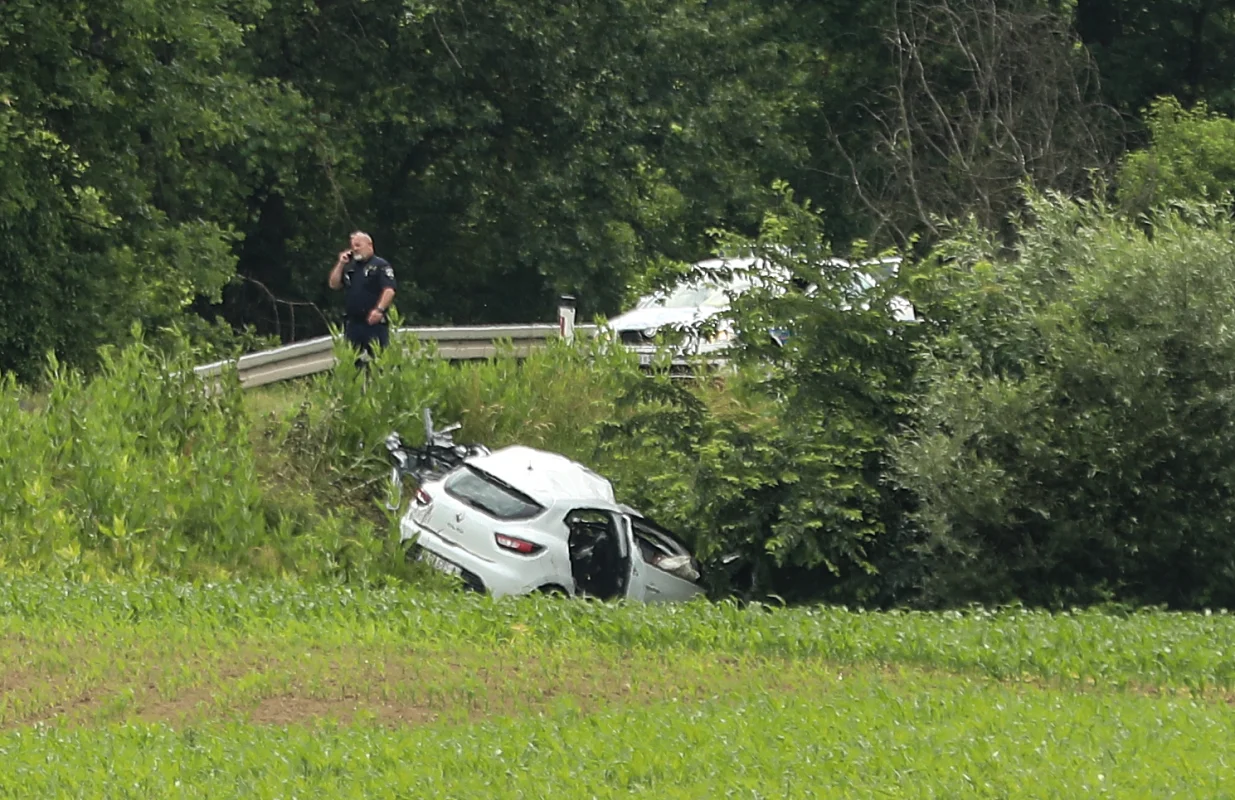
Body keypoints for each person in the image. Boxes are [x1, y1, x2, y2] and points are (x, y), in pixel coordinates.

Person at [328, 231, 396, 362]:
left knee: (379, 362)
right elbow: (334, 284)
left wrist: (379, 309)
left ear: (369, 245)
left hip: (374, 323)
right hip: (353, 324)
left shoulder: (380, 265)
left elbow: (389, 290)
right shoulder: (350, 267)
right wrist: (341, 264)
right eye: (353, 246)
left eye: (358, 245)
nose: (355, 249)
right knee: (351, 363)